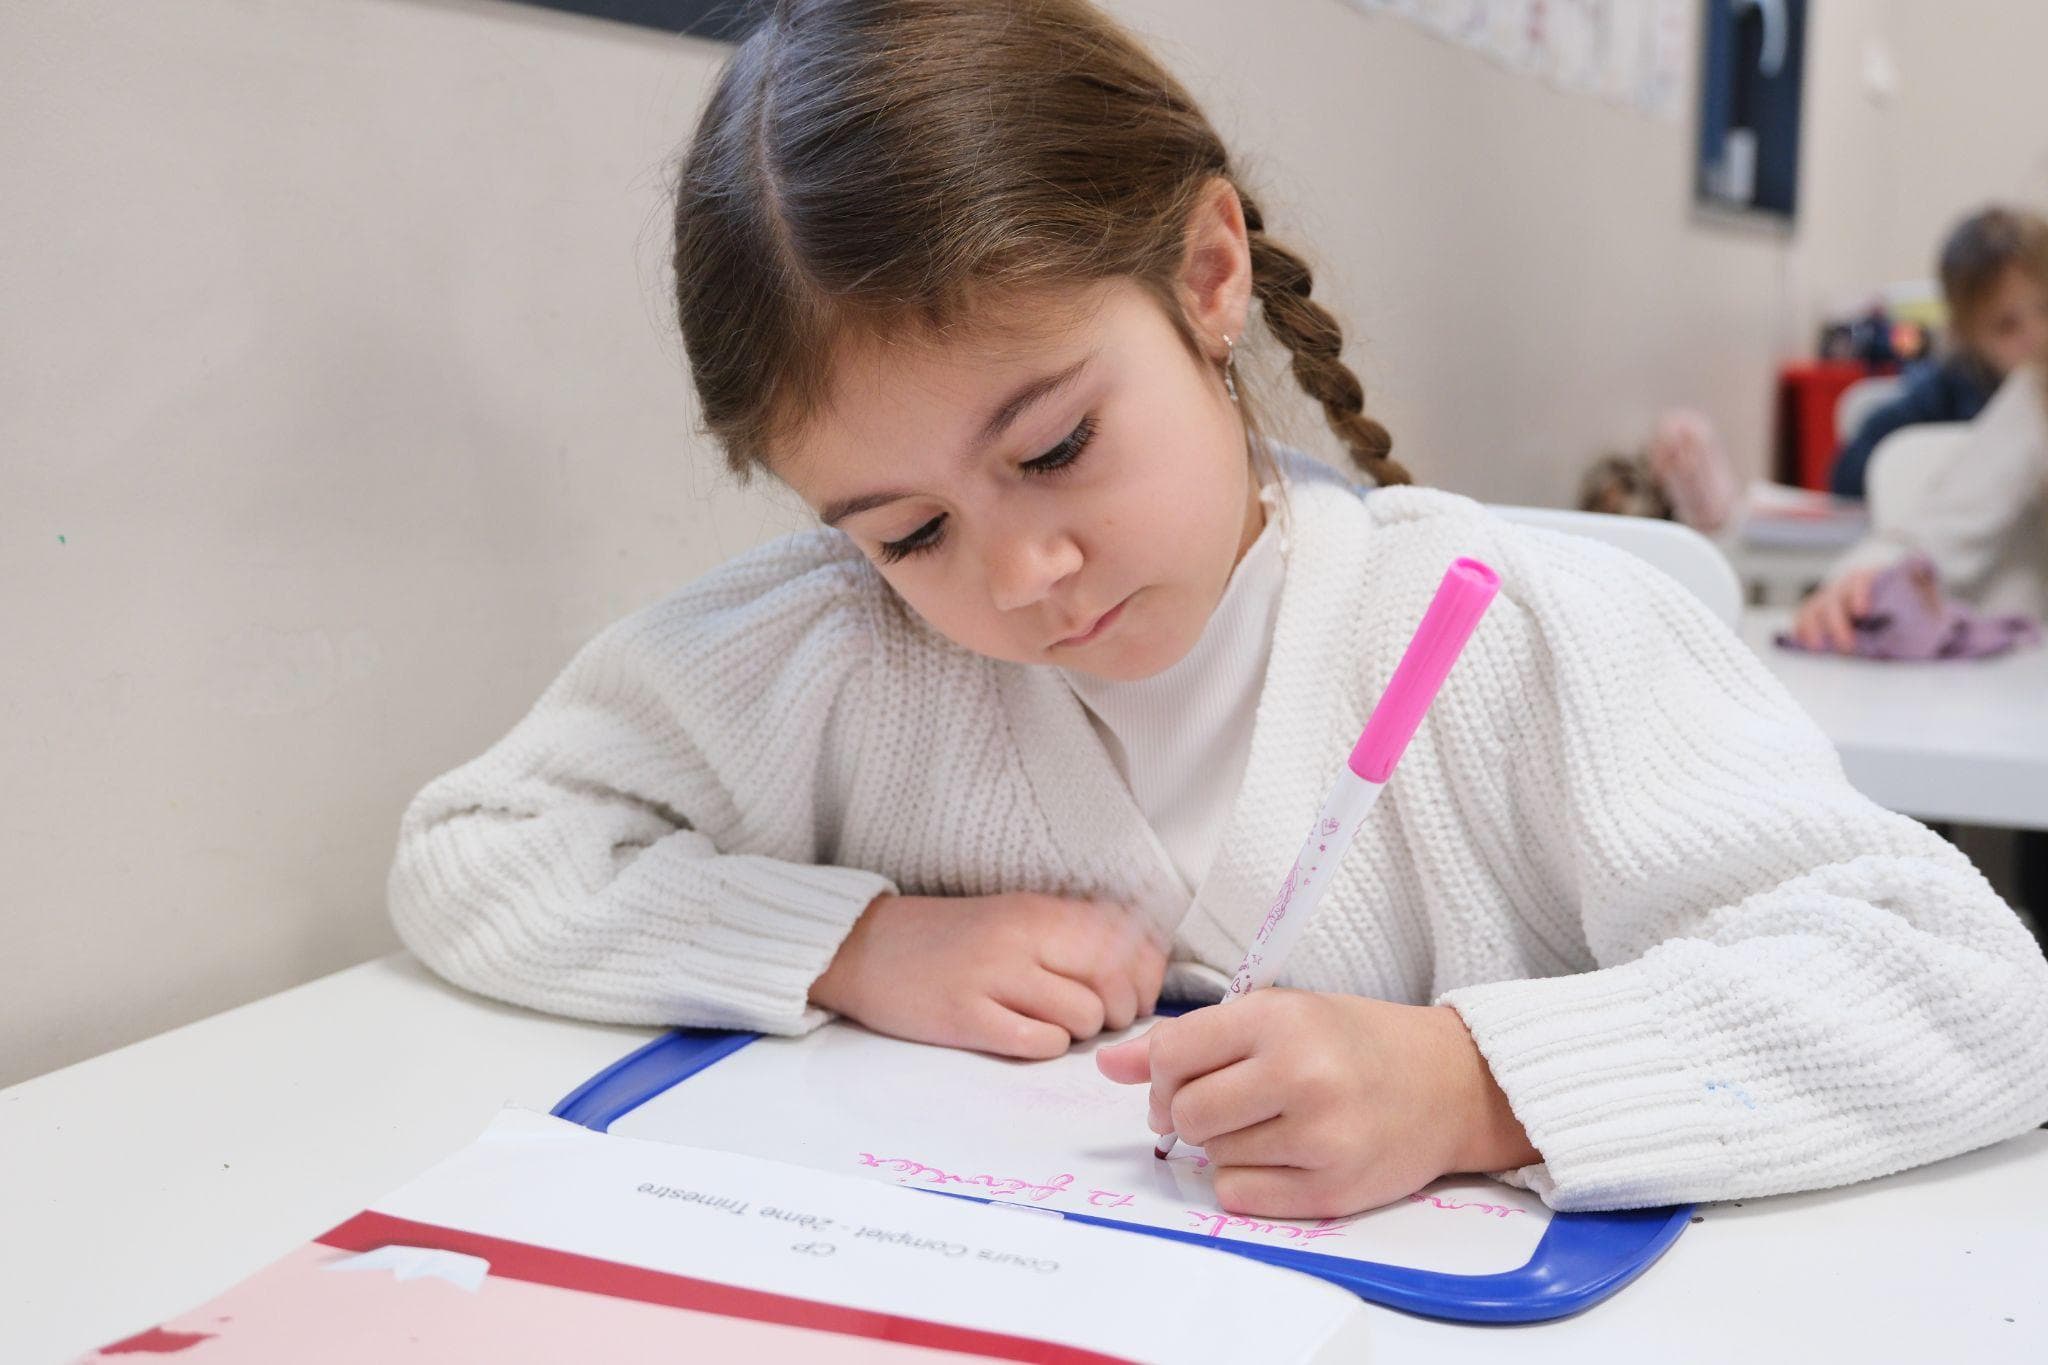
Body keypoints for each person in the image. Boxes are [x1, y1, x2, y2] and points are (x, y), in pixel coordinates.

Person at [389, 0, 2048, 1217]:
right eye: (902, 529)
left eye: (1053, 447)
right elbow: (478, 846)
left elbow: (1962, 986)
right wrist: (854, 944)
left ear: (1205, 276)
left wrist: (1472, 1086)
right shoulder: (839, 653)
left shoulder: (1507, 638)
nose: (1013, 577)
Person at [1829, 207, 2048, 498]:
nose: (2039, 335)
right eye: (2006, 326)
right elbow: (1848, 473)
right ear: (1967, 336)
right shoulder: (1949, 391)